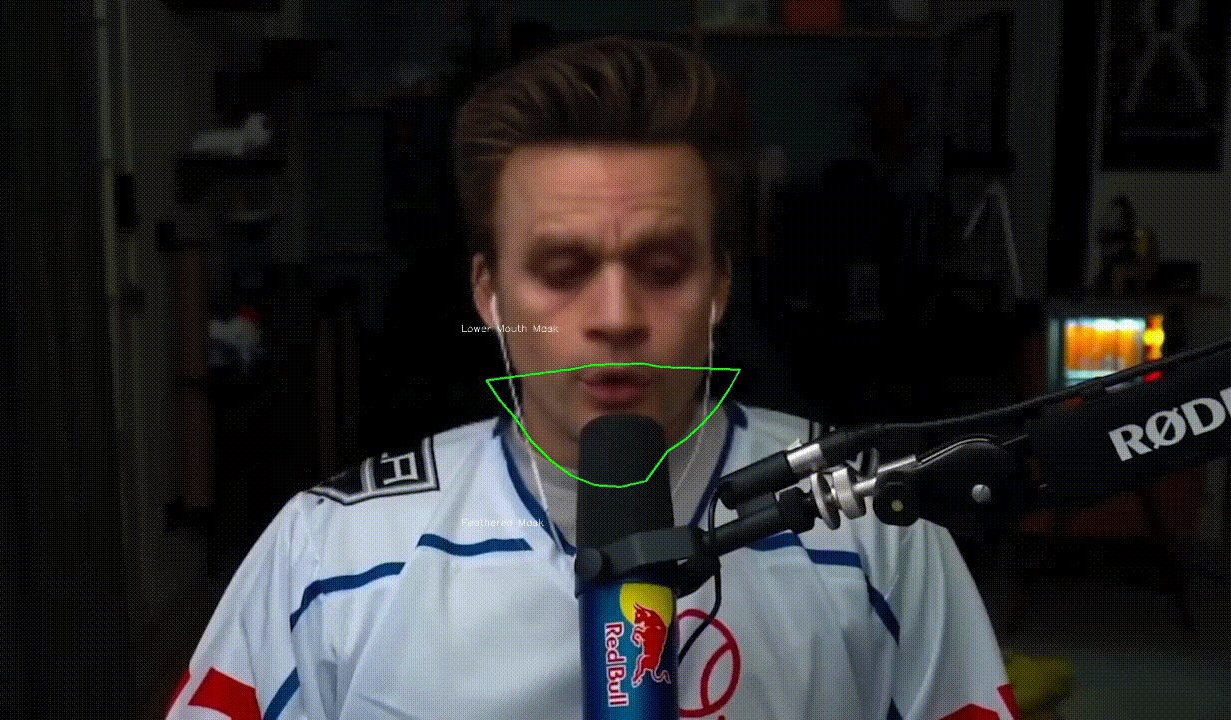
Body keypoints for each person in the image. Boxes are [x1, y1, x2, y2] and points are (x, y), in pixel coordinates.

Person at [165, 35, 1020, 720]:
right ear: (489, 293)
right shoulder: (329, 555)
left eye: (663, 266)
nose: (616, 317)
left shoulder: (875, 530)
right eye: (563, 269)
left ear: (720, 286)